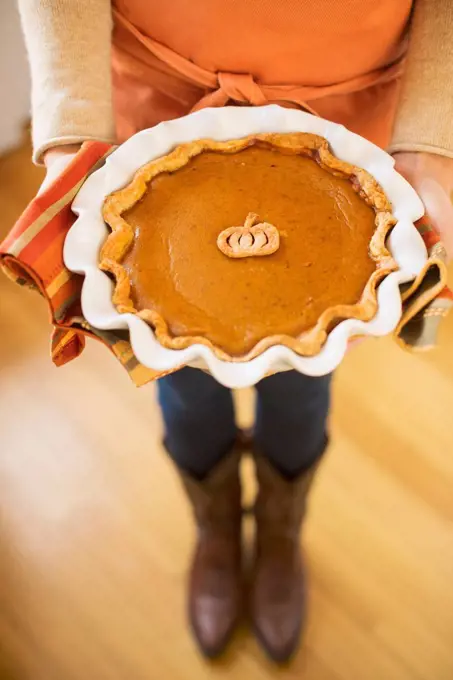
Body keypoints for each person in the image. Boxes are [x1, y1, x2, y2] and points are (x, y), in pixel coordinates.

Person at [18, 0, 453, 663]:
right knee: (184, 386)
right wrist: (74, 123)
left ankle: (279, 529)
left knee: (304, 382)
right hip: (154, 123)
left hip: (342, 130)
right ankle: (215, 526)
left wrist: (429, 144)